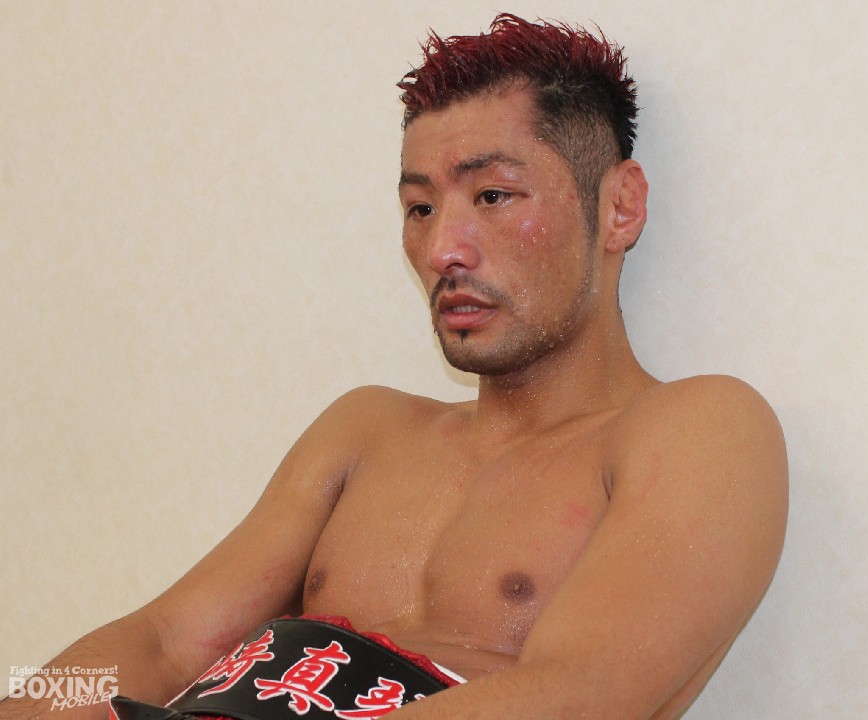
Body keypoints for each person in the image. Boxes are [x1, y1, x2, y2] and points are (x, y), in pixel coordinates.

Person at [2, 13, 788, 720]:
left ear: (620, 207)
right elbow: (165, 639)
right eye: (420, 208)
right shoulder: (366, 431)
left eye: (493, 195)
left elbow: (584, 694)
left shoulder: (700, 429)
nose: (444, 248)